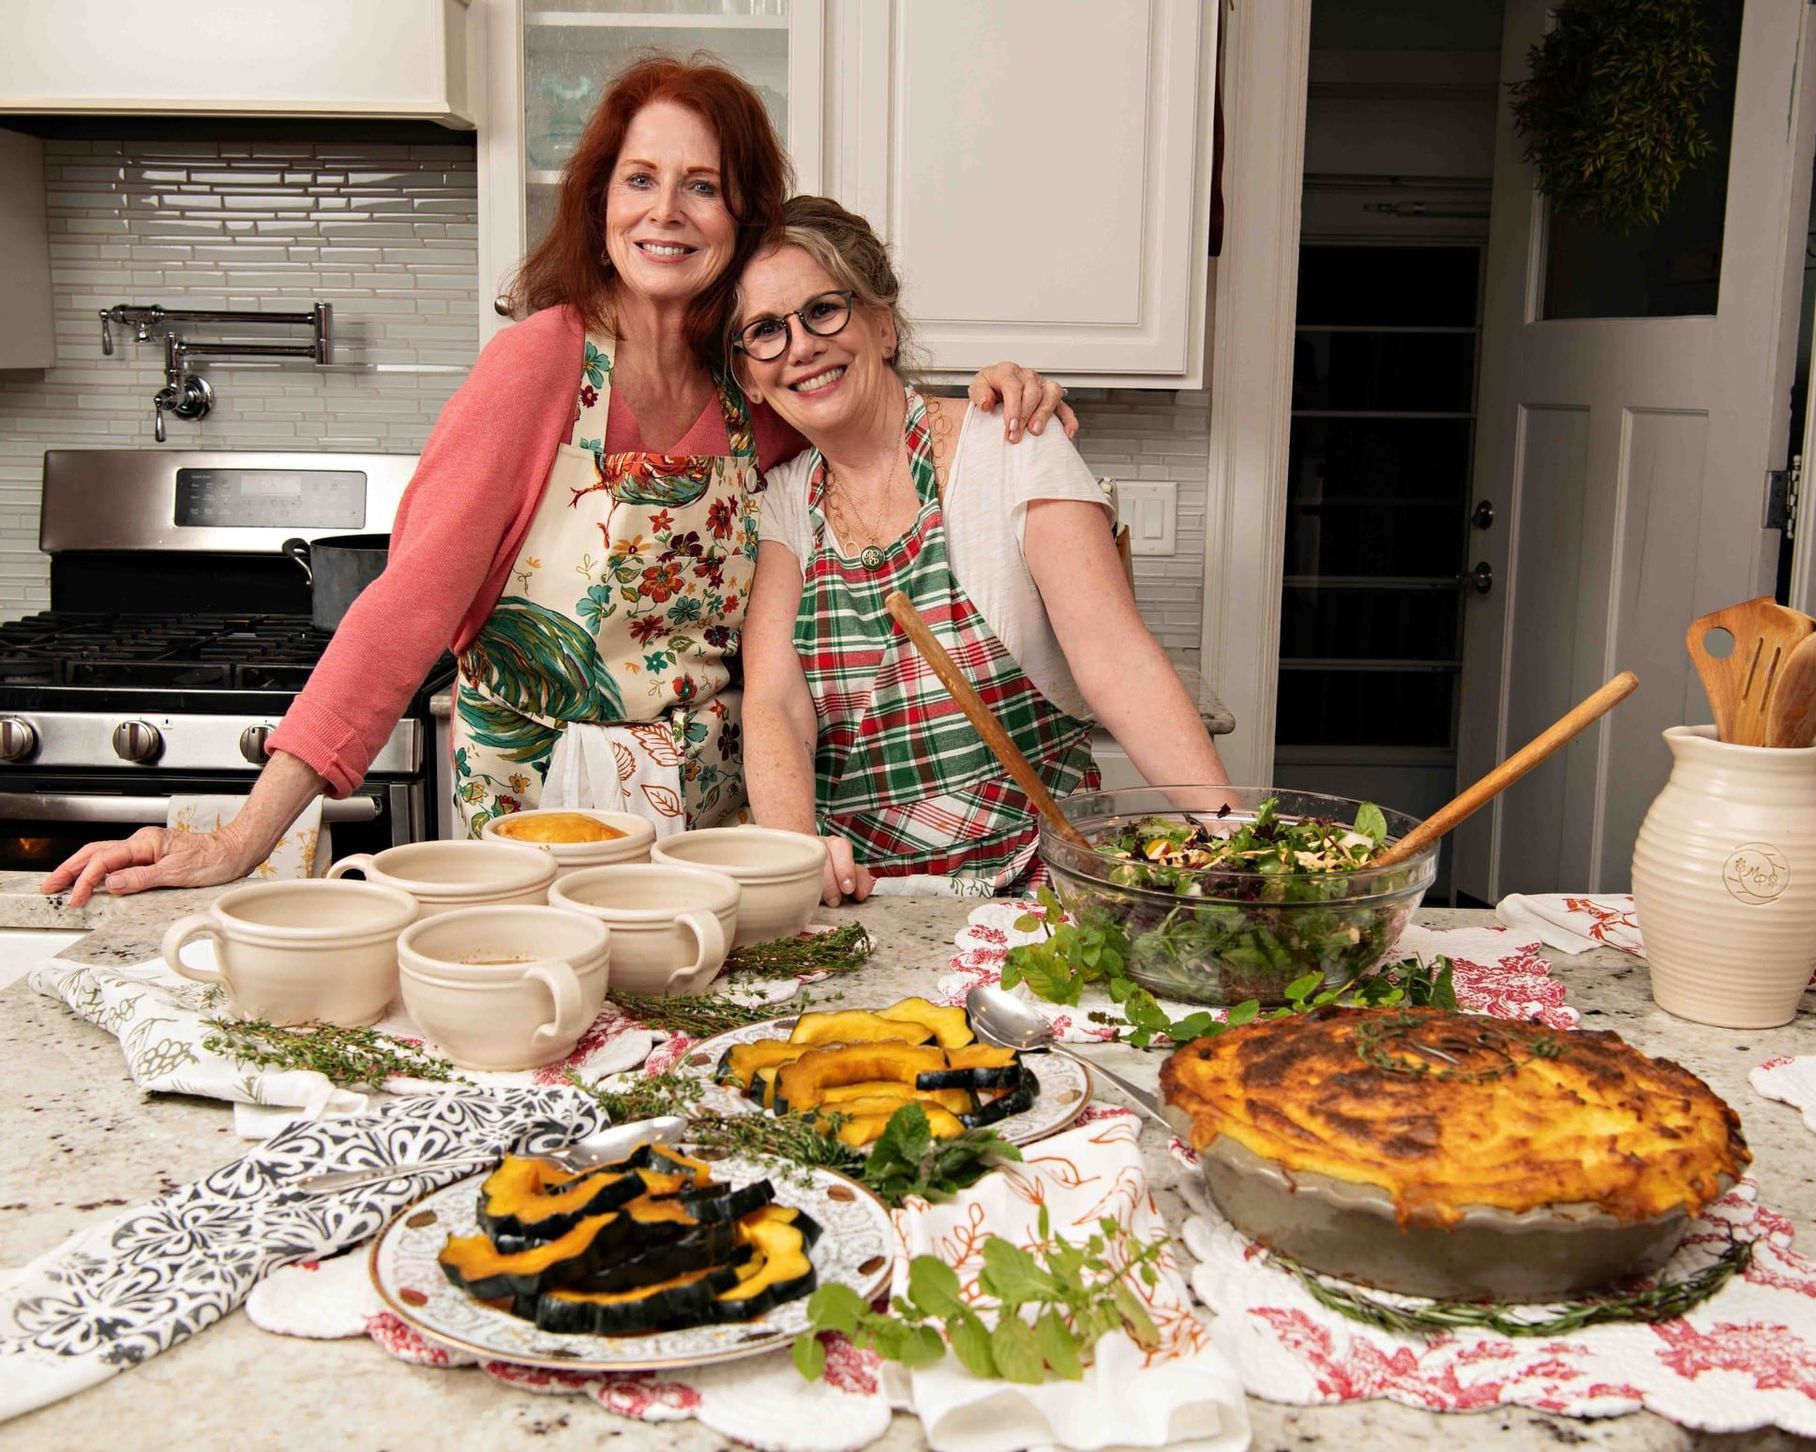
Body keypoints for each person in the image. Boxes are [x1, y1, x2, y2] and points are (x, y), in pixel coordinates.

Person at [45, 58, 1071, 908]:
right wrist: (240, 839)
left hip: (711, 844)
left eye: (702, 185)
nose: (666, 211)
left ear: (741, 216)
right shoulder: (538, 365)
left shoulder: (749, 388)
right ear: (601, 200)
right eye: (640, 179)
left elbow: (861, 400)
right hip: (539, 837)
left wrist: (989, 397)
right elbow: (401, 613)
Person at [735, 197, 1229, 906]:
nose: (801, 346)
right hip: (869, 904)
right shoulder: (782, 501)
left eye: (822, 311)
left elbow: (1119, 666)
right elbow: (776, 702)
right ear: (750, 373)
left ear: (881, 324)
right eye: (765, 331)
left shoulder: (1014, 445)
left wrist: (1231, 841)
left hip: (1037, 899)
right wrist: (796, 856)